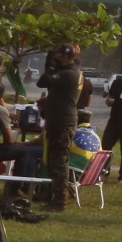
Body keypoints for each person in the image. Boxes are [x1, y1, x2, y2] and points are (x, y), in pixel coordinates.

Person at [35, 44, 90, 212]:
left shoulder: (69, 74)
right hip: (59, 121)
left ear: (65, 56)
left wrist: (50, 66)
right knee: (54, 159)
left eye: (58, 55)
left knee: (59, 161)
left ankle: (60, 200)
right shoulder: (70, 72)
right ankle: (53, 195)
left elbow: (43, 81)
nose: (55, 58)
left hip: (62, 123)